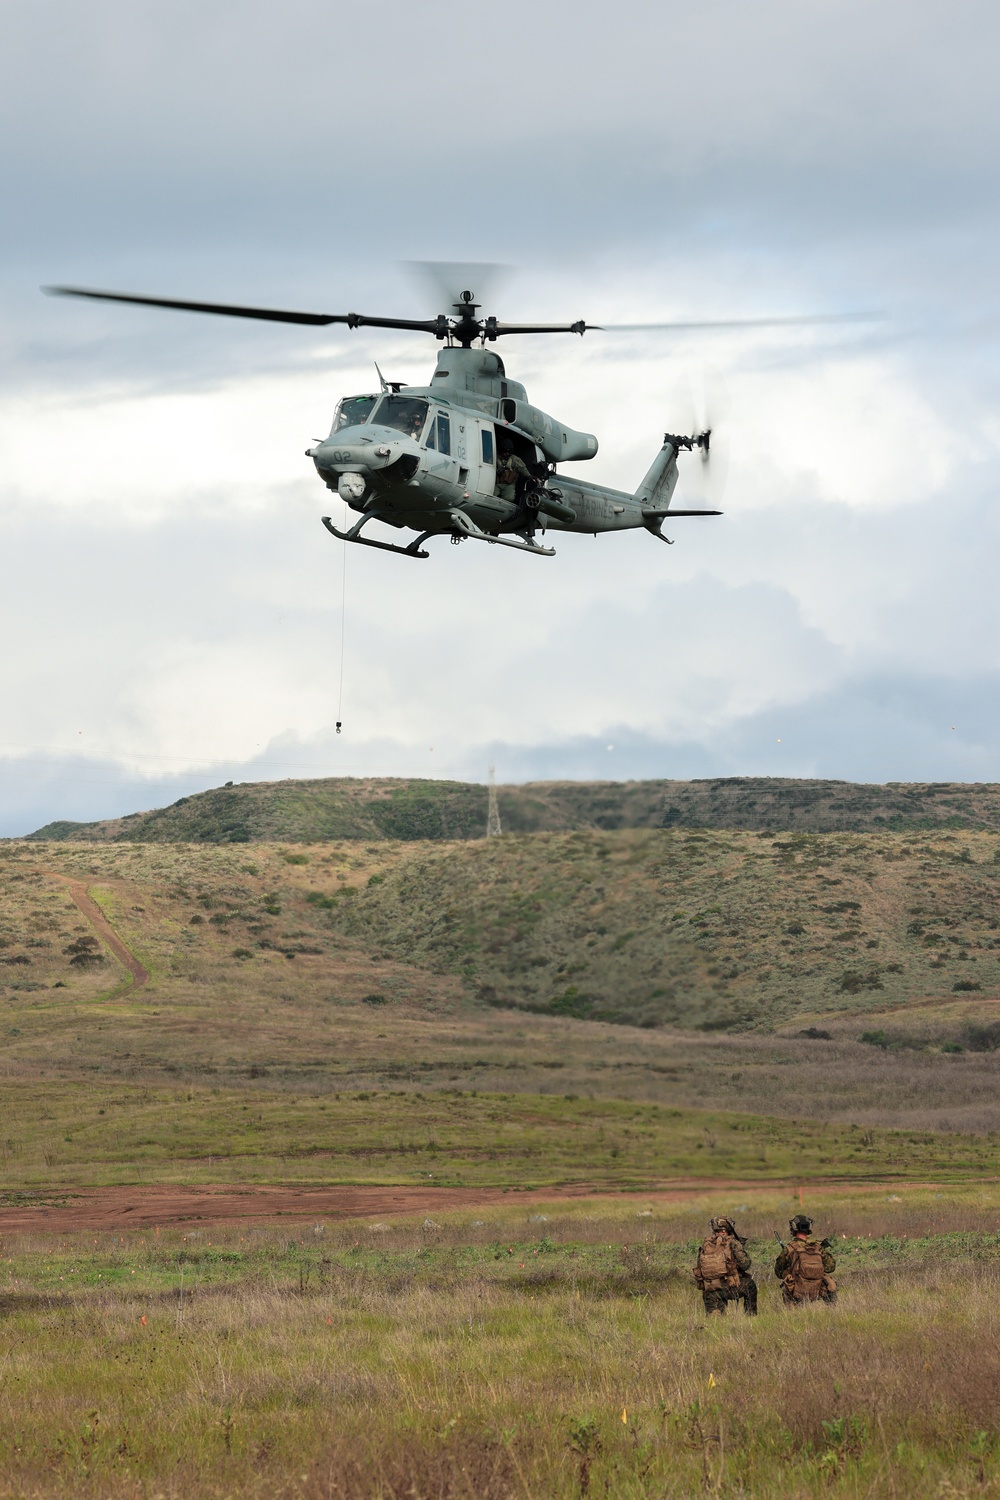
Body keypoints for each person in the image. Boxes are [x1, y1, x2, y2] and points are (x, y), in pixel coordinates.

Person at [693, 1216, 757, 1316]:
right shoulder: (733, 1242)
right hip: (729, 1287)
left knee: (715, 1322)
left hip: (710, 1290)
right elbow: (745, 1265)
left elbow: (699, 1268)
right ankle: (750, 1316)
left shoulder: (706, 1244)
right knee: (751, 1285)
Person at [774, 1215, 837, 1306]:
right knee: (830, 1284)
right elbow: (830, 1268)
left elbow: (778, 1272)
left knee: (787, 1280)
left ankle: (791, 1312)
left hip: (796, 1291)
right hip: (818, 1290)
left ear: (794, 1227)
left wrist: (788, 1271)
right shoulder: (818, 1248)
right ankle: (832, 1310)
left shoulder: (789, 1248)